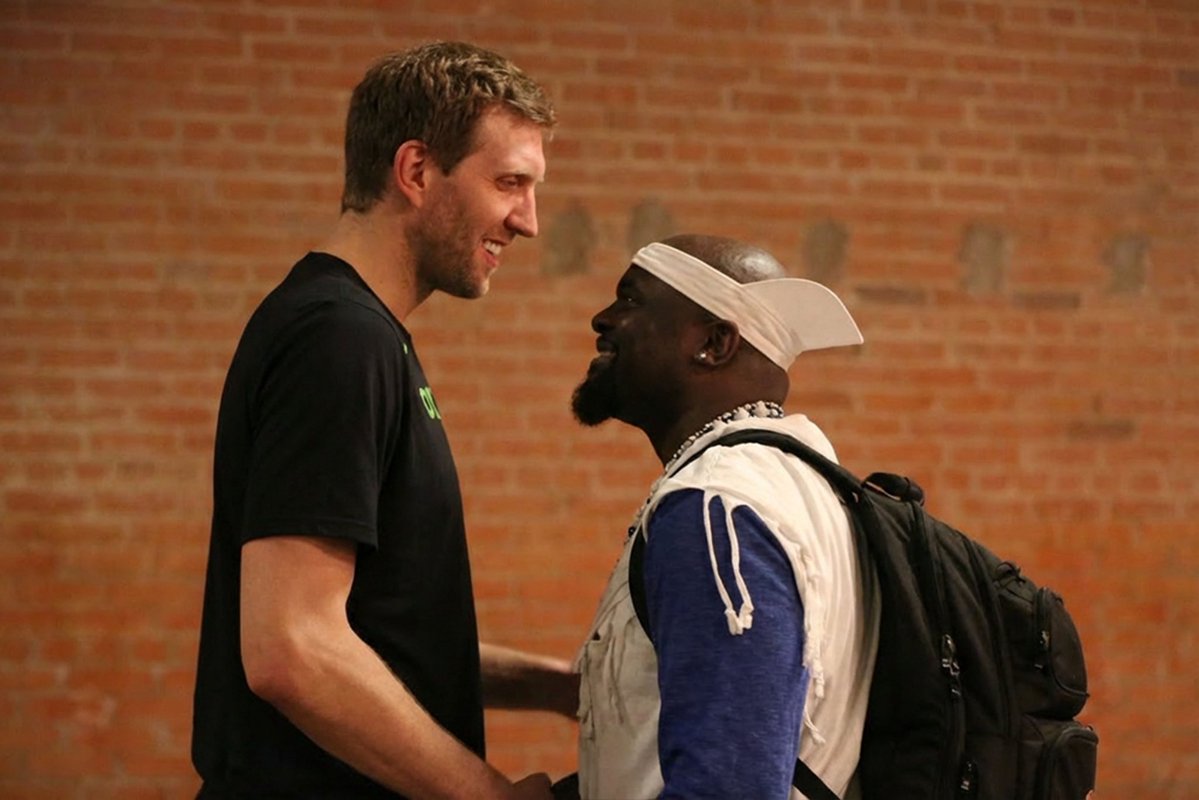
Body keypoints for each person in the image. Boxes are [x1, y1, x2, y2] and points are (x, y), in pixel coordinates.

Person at [192, 41, 576, 799]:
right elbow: (293, 648)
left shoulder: (360, 334)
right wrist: (489, 796)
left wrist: (555, 687)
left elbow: (374, 632)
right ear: (415, 171)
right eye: (509, 183)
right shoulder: (339, 340)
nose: (527, 222)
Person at [569, 234, 882, 799]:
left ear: (713, 343)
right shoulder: (803, 486)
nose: (603, 318)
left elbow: (730, 785)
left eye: (632, 300)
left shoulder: (718, 506)